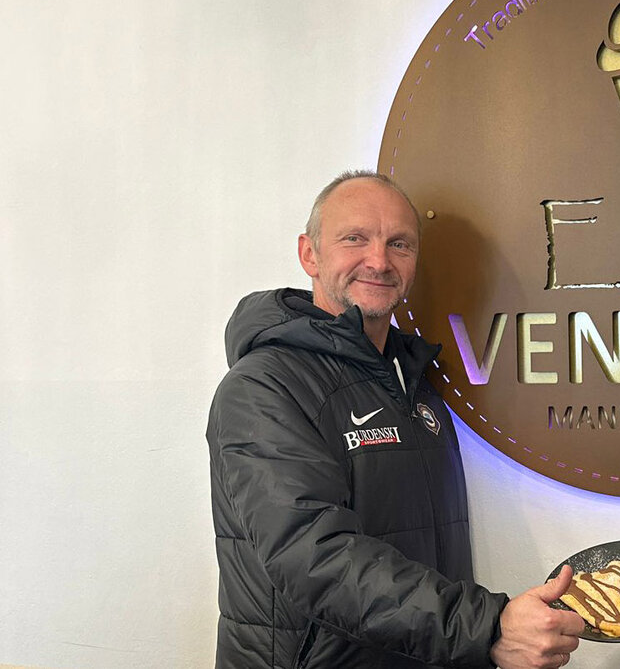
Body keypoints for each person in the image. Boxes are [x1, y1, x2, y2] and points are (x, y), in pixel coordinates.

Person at [207, 171, 584, 668]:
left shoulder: (413, 382)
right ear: (309, 254)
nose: (379, 261)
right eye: (354, 238)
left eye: (399, 244)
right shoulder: (264, 386)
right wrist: (486, 628)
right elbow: (313, 556)